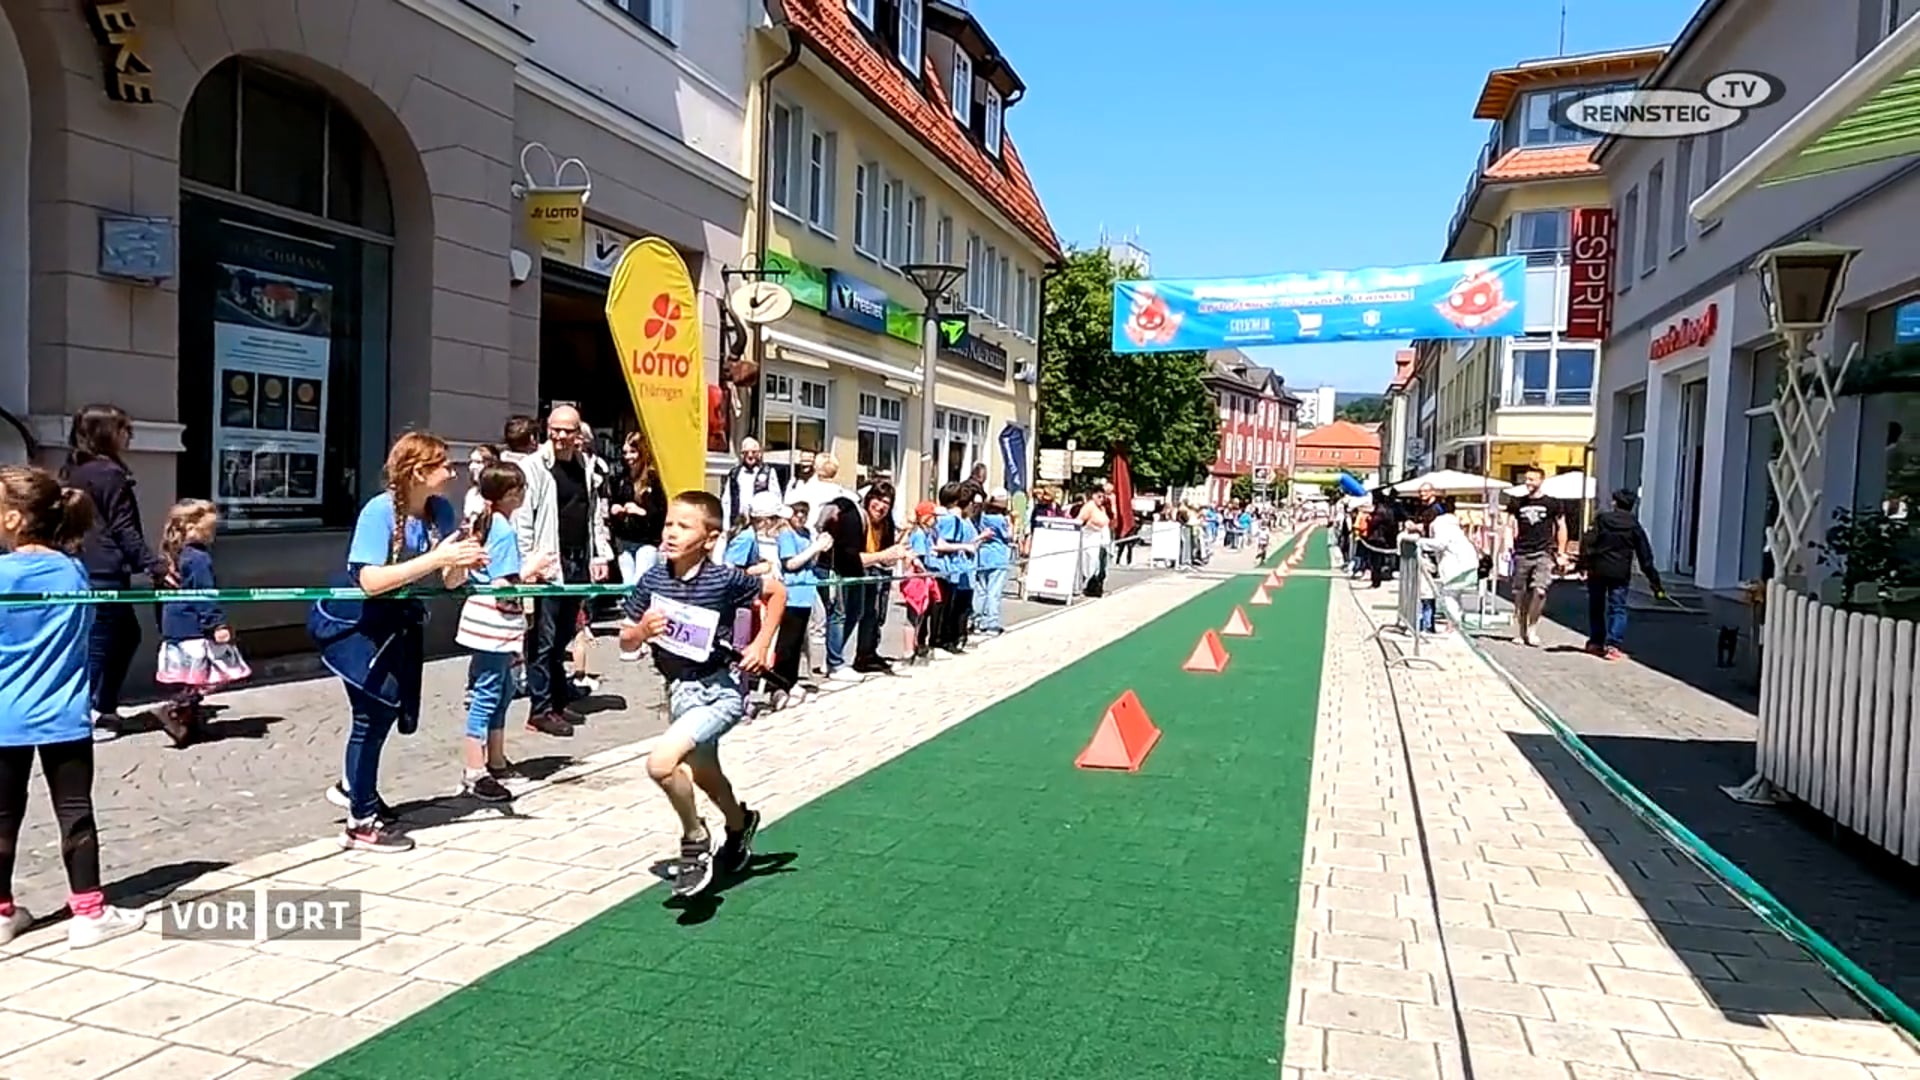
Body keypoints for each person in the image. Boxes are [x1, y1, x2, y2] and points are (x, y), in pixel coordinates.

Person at [313, 432, 486, 852]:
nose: (451, 471)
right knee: (372, 715)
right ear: (419, 472)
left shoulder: (441, 510)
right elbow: (370, 581)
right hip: (356, 626)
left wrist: (465, 558)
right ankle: (360, 822)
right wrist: (437, 559)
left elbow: (449, 578)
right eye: (443, 464)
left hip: (397, 623)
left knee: (390, 713)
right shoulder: (378, 512)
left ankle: (356, 787)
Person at [0, 466, 148, 947]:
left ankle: (2, 914)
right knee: (75, 812)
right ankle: (88, 913)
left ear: (15, 519)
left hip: (6, 715)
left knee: (2, 816)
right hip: (63, 712)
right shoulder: (73, 572)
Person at [618, 491, 787, 898]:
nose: (672, 533)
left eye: (684, 526)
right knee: (709, 778)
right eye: (668, 524)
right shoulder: (654, 579)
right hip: (680, 694)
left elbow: (776, 591)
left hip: (719, 692)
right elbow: (624, 639)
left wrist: (761, 644)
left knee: (661, 765)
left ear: (710, 539)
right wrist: (641, 633)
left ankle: (694, 839)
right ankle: (738, 824)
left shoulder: (724, 578)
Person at [62, 404, 169, 741]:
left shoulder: (75, 471)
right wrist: (154, 564)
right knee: (105, 640)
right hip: (104, 568)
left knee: (119, 637)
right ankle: (92, 711)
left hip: (83, 564)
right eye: (123, 429)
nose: (129, 436)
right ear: (105, 433)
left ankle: (103, 706)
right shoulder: (110, 474)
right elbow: (123, 527)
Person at [453, 461, 552, 802]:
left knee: (503, 686)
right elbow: (504, 583)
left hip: (483, 618)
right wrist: (533, 568)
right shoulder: (503, 529)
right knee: (489, 690)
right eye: (521, 488)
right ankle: (474, 768)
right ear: (511, 494)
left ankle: (494, 758)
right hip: (494, 621)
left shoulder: (487, 522)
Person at [519, 405, 612, 737]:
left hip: (577, 561)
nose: (559, 436)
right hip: (548, 563)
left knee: (562, 638)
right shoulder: (533, 467)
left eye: (567, 431)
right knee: (542, 641)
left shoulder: (585, 466)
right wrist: (529, 564)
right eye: (554, 429)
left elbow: (594, 515)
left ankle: (557, 702)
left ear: (578, 434)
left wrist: (600, 554)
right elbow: (523, 519)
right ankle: (539, 709)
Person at [154, 499, 250, 748]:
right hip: (193, 627)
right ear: (193, 527)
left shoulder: (172, 554)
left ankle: (190, 727)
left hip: (175, 624)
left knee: (189, 677)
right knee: (202, 677)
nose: (212, 535)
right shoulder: (198, 559)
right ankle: (174, 709)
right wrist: (217, 624)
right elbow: (204, 594)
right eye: (210, 530)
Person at [1577, 489, 1666, 660]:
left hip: (1598, 570)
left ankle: (1596, 642)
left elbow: (1588, 542)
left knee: (1596, 606)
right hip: (1620, 573)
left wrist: (1582, 565)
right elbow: (1645, 556)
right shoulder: (1634, 526)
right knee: (1617, 607)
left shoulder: (1602, 520)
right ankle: (1613, 645)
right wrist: (1655, 583)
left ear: (1615, 503)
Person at [770, 501, 830, 709]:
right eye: (798, 512)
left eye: (805, 511)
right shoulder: (787, 535)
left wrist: (820, 547)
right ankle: (779, 686)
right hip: (791, 594)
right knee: (787, 644)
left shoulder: (806, 534)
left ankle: (792, 681)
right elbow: (791, 563)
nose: (801, 516)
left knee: (798, 644)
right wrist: (816, 547)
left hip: (807, 593)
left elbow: (811, 563)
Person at [1505, 466, 1567, 647]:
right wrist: (1507, 545)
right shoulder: (1517, 502)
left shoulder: (1553, 503)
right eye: (1526, 479)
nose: (1528, 482)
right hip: (1522, 552)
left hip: (1544, 552)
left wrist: (1561, 552)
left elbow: (1561, 526)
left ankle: (1532, 628)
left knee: (1540, 591)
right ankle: (1520, 630)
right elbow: (1509, 525)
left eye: (1532, 479)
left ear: (1541, 480)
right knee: (1520, 594)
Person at [720, 438, 788, 532]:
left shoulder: (768, 472)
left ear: (760, 454)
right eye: (746, 452)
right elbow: (726, 500)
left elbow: (776, 497)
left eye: (754, 452)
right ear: (741, 455)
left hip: (759, 522)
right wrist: (726, 525)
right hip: (737, 521)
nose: (750, 455)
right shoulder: (734, 473)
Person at [973, 489, 1014, 636]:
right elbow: (1008, 536)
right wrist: (1011, 525)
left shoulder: (983, 516)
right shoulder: (1001, 519)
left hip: (983, 555)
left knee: (980, 591)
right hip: (998, 556)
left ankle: (977, 622)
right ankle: (992, 623)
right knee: (994, 592)